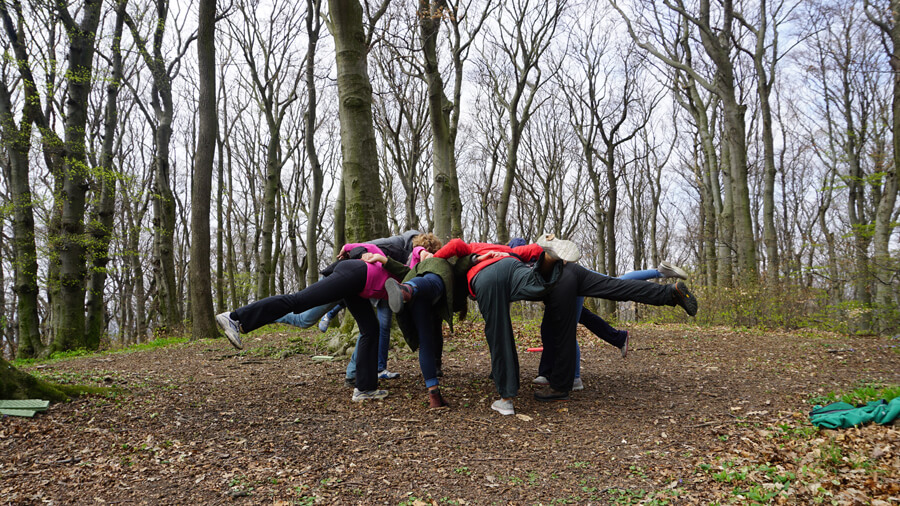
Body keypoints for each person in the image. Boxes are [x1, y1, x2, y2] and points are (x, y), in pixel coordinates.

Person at [215, 255, 401, 402]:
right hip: (352, 274)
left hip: (358, 282)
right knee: (298, 302)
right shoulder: (410, 256)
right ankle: (234, 317)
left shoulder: (403, 263)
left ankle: (365, 389)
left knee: (370, 329)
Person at [366, 248, 472, 408]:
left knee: (425, 342)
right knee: (433, 281)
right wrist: (477, 257)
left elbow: (401, 269)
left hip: (416, 297)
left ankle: (434, 395)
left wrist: (381, 259)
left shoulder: (415, 269)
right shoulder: (441, 262)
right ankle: (407, 290)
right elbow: (463, 264)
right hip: (423, 288)